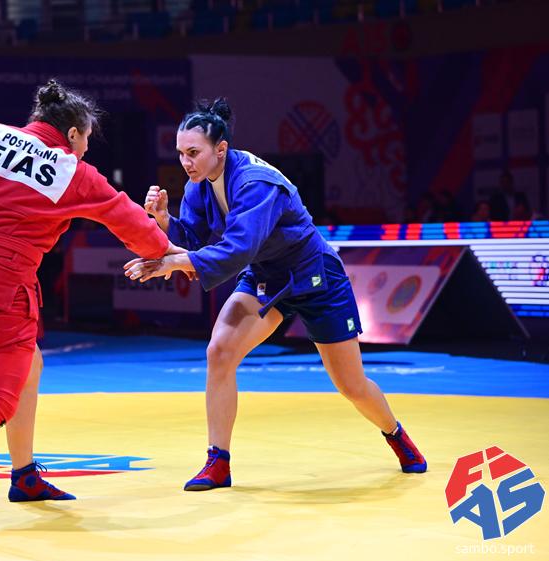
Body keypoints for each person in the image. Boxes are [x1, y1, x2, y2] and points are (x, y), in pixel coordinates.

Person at [0, 79, 177, 531]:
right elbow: (126, 217)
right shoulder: (73, 171)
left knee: (30, 366)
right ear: (72, 133)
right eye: (86, 139)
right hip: (3, 291)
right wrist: (166, 253)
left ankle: (25, 476)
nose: (86, 150)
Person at [125, 98, 426, 492]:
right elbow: (195, 241)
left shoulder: (256, 183)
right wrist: (166, 221)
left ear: (221, 149)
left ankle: (396, 435)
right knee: (220, 352)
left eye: (193, 153)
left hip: (315, 276)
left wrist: (171, 263)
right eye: (181, 153)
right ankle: (218, 462)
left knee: (351, 385)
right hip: (267, 276)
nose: (186, 162)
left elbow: (237, 249)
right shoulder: (197, 186)